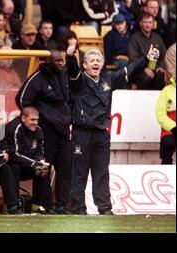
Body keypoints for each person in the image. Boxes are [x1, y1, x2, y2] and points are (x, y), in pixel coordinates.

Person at [66, 42, 160, 215]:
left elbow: (129, 70)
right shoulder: (78, 80)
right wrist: (71, 57)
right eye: (91, 60)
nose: (95, 63)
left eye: (98, 60)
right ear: (85, 65)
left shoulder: (108, 79)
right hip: (82, 133)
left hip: (102, 134)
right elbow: (72, 70)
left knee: (102, 172)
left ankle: (105, 208)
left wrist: (146, 60)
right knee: (79, 173)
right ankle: (78, 208)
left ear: (102, 64)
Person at [15, 50, 72, 214]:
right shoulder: (37, 78)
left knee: (65, 169)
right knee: (45, 168)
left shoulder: (63, 75)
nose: (60, 63)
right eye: (57, 61)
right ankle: (46, 204)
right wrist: (38, 117)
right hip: (47, 129)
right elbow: (21, 99)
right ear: (48, 62)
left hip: (63, 129)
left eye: (62, 60)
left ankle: (62, 205)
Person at [5, 106, 50, 213]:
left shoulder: (38, 130)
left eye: (37, 120)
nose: (35, 123)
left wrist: (40, 162)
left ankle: (36, 205)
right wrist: (34, 163)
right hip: (12, 165)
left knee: (43, 169)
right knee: (14, 167)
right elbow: (14, 155)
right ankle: (13, 205)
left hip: (28, 165)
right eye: (32, 119)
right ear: (23, 118)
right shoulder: (14, 128)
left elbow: (39, 151)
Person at [128, 13, 167, 90]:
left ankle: (155, 100)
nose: (147, 25)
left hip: (155, 68)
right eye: (145, 22)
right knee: (145, 78)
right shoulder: (134, 38)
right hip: (140, 70)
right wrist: (144, 69)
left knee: (161, 76)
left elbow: (165, 55)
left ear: (153, 24)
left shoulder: (157, 38)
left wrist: (161, 67)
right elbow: (133, 58)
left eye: (150, 22)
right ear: (140, 23)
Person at [155, 43, 176, 164]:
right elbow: (160, 113)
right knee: (167, 143)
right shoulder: (167, 90)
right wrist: (174, 127)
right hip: (170, 129)